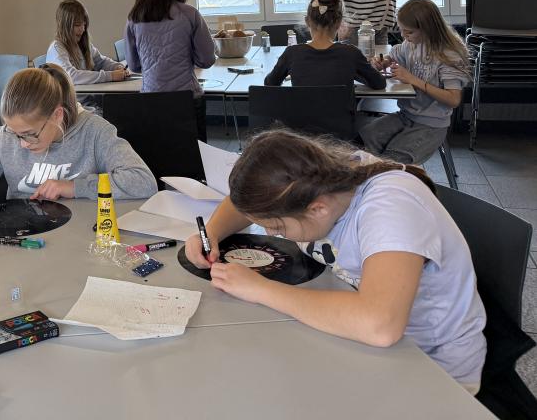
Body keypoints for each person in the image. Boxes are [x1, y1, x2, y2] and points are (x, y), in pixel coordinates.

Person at [184, 129, 486, 390]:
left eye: (277, 227)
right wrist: (210, 233)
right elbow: (247, 203)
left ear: (317, 209)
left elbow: (380, 325)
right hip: (360, 338)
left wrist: (260, 289)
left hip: (430, 365)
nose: (271, 232)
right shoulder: (326, 177)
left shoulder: (391, 208)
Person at [0, 64, 156, 207]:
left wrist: (74, 187)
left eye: (29, 134)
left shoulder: (95, 132)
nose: (22, 144)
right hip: (25, 236)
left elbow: (144, 182)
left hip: (81, 237)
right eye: (14, 133)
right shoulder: (4, 137)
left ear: (57, 115)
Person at [360, 0, 469, 166]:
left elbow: (453, 99)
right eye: (402, 30)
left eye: (409, 32)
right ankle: (374, 175)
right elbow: (394, 55)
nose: (403, 36)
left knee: (393, 161)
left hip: (431, 124)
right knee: (363, 139)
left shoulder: (448, 55)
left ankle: (388, 176)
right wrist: (384, 61)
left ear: (427, 29)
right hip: (406, 115)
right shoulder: (411, 44)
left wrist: (413, 80)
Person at [124, 0, 215, 140]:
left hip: (151, 99)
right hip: (187, 99)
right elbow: (207, 60)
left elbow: (134, 66)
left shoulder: (134, 19)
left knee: (158, 155)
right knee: (196, 155)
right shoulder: (190, 14)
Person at [264, 0, 386, 89]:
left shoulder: (292, 53)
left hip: (301, 113)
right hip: (340, 113)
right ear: (339, 22)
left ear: (307, 21)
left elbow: (270, 83)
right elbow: (379, 83)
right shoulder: (351, 54)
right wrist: (354, 72)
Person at [46, 0, 128, 112]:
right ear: (65, 25)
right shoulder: (57, 48)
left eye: (84, 24)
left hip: (89, 102)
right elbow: (72, 76)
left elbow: (101, 61)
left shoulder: (82, 44)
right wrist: (110, 76)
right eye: (77, 25)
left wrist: (117, 66)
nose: (83, 29)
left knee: (124, 109)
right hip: (72, 109)